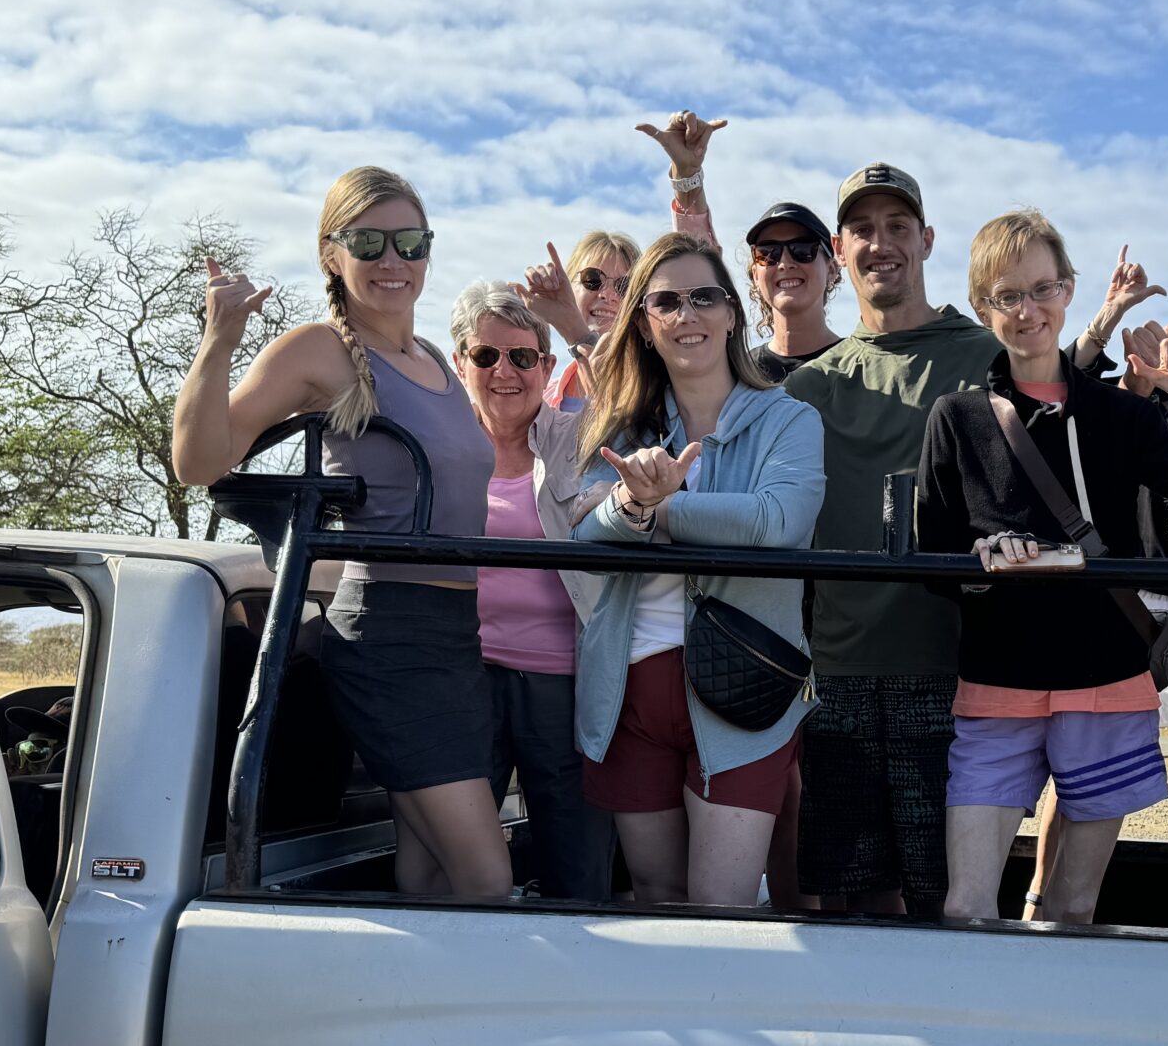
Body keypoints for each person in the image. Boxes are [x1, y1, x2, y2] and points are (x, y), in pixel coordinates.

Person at [171, 167, 510, 899]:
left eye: (410, 242)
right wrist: (218, 339)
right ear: (332, 253)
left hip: (455, 636)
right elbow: (199, 461)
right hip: (389, 637)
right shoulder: (319, 349)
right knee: (487, 876)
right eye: (369, 242)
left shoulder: (434, 364)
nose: (393, 261)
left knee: (427, 865)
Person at [916, 210, 1168, 923]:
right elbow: (929, 558)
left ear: (1067, 291)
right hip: (997, 683)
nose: (1029, 310)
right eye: (1007, 295)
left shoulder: (1124, 416)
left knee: (1070, 908)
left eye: (1043, 289)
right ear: (981, 307)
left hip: (1107, 682)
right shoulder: (957, 417)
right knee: (966, 907)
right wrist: (978, 561)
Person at [569, 234, 826, 908]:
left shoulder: (788, 418)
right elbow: (585, 543)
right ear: (646, 327)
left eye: (705, 297)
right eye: (666, 301)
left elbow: (778, 522)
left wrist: (660, 507)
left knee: (721, 910)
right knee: (655, 896)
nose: (688, 315)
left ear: (734, 313)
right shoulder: (618, 428)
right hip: (625, 695)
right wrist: (630, 503)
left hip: (739, 697)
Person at [782, 163, 1005, 917]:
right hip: (838, 675)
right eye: (863, 230)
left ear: (926, 239)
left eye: (898, 227)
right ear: (840, 252)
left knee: (949, 899)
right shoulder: (809, 387)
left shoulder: (986, 357)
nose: (882, 244)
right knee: (852, 899)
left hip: (952, 671)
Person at [449, 278, 618, 903]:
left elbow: (636, 406)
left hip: (563, 683)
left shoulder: (575, 436)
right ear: (460, 360)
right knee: (458, 866)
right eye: (487, 355)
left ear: (547, 367)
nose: (504, 371)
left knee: (576, 868)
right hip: (467, 678)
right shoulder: (439, 447)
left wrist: (576, 327)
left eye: (523, 356)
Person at [636, 109, 846, 383]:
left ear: (832, 269)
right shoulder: (738, 376)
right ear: (754, 275)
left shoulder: (861, 368)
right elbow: (697, 267)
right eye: (767, 253)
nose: (784, 262)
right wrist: (687, 176)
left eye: (802, 249)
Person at [527, 230, 642, 414]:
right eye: (592, 280)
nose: (608, 294)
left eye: (624, 286)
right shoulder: (540, 399)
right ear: (567, 286)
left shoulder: (653, 391)